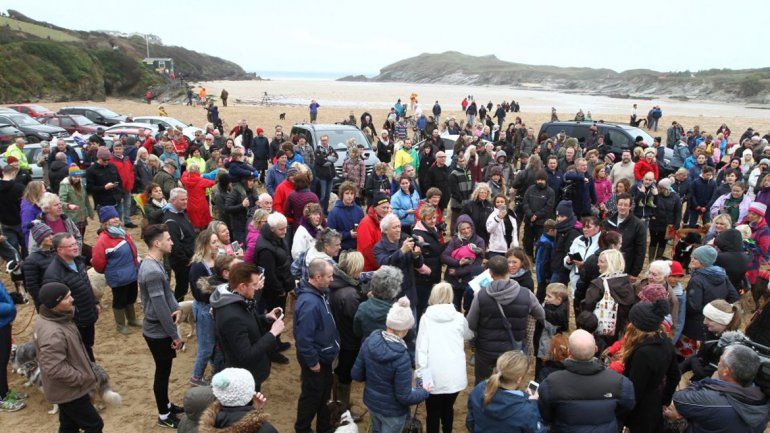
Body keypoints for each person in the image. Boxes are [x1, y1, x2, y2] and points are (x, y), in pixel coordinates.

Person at [351, 297, 430, 433]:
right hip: (393, 412)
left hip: (372, 404)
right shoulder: (402, 358)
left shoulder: (370, 340)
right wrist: (424, 392)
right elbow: (404, 397)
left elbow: (356, 374)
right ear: (405, 330)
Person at [34, 282, 104, 430]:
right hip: (69, 390)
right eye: (66, 298)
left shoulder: (56, 317)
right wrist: (81, 378)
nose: (72, 299)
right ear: (55, 304)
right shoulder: (53, 333)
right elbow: (53, 368)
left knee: (68, 425)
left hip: (65, 388)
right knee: (94, 425)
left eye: (70, 294)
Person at [538, 329, 635, 433]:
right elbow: (627, 406)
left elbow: (545, 414)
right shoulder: (620, 383)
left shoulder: (551, 383)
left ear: (569, 352)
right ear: (596, 349)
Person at [466, 256, 545, 383]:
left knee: (482, 383)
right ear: (508, 270)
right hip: (512, 349)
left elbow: (470, 324)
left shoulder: (481, 295)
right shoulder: (526, 294)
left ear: (490, 273)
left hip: (486, 348)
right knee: (508, 383)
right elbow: (541, 315)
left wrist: (473, 341)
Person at [137, 224, 184, 428]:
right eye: (168, 239)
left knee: (165, 370)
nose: (171, 242)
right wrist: (174, 335)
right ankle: (164, 415)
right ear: (157, 243)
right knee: (162, 372)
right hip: (157, 331)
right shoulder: (152, 271)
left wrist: (177, 307)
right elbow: (159, 308)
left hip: (159, 328)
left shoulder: (156, 263)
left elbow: (167, 294)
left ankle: (166, 404)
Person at [211, 262, 285, 388]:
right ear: (242, 286)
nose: (257, 288)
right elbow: (246, 356)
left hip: (249, 372)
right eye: (254, 285)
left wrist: (265, 318)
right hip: (243, 378)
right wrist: (272, 334)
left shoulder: (238, 299)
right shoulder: (231, 315)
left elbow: (245, 323)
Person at [667, 345, 770, 433]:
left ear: (726, 371)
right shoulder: (763, 398)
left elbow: (677, 399)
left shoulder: (710, 399)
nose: (718, 364)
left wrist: (711, 382)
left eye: (720, 361)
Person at [416, 283, 474, 433]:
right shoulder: (459, 318)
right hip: (454, 373)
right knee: (448, 408)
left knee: (432, 412)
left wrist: (420, 375)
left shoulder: (426, 318)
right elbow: (469, 335)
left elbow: (421, 349)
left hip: (432, 373)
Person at [294, 260, 340, 433]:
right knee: (311, 397)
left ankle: (324, 427)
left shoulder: (320, 293)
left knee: (323, 396)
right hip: (316, 361)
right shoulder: (310, 303)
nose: (332, 279)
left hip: (324, 358)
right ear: (317, 277)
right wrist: (313, 362)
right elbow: (304, 339)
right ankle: (303, 429)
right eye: (329, 276)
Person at [622, 300, 681, 433]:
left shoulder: (643, 353)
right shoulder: (665, 341)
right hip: (655, 401)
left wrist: (623, 412)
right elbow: (675, 375)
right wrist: (664, 399)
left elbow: (635, 389)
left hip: (642, 411)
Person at [42, 233, 98, 361]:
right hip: (75, 321)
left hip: (88, 314)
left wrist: (95, 302)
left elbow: (86, 284)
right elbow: (57, 304)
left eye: (75, 243)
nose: (75, 247)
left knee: (88, 345)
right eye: (71, 245)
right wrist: (72, 319)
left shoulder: (78, 261)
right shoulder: (53, 274)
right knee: (79, 352)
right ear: (59, 250)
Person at [466, 350, 545, 433]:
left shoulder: (479, 389)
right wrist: (533, 404)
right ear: (519, 379)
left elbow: (470, 421)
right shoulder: (527, 410)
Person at [680, 245, 740, 353]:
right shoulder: (722, 275)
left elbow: (693, 307)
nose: (692, 259)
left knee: (683, 359)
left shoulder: (697, 279)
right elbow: (734, 296)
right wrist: (717, 309)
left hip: (695, 327)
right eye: (693, 256)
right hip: (713, 325)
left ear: (704, 261)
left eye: (695, 258)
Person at [328, 251, 366, 419]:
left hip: (337, 336)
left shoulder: (336, 282)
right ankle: (342, 411)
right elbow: (356, 319)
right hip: (348, 340)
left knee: (339, 372)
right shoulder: (349, 294)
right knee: (345, 375)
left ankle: (338, 404)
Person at [91, 206, 140, 335]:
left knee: (131, 296)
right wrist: (110, 271)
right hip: (118, 276)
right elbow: (97, 262)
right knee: (120, 300)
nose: (115, 219)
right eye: (112, 217)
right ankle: (120, 325)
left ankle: (132, 319)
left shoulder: (123, 233)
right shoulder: (103, 240)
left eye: (117, 216)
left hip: (131, 272)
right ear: (105, 222)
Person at [253, 213, 293, 363]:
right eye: (281, 229)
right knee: (273, 318)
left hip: (282, 283)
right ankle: (272, 350)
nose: (284, 232)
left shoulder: (275, 239)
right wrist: (280, 290)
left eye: (285, 228)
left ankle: (277, 342)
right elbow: (269, 274)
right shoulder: (265, 248)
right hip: (273, 291)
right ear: (272, 229)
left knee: (279, 316)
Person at [199, 368, 278, 433]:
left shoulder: (206, 423)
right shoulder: (267, 430)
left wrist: (255, 409)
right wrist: (257, 412)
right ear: (250, 393)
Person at [374, 214, 425, 308]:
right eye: (394, 227)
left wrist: (416, 256)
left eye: (399, 226)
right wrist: (401, 251)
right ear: (385, 230)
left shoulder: (405, 239)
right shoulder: (379, 247)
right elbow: (385, 264)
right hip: (393, 296)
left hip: (410, 293)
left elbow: (419, 265)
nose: (398, 230)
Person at [442, 215, 486, 310]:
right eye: (463, 229)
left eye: (468, 228)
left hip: (469, 280)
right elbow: (444, 256)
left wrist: (458, 272)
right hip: (453, 281)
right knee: (453, 307)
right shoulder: (455, 240)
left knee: (469, 308)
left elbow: (476, 265)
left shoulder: (479, 241)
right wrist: (458, 263)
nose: (466, 231)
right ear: (458, 229)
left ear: (472, 227)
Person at [163, 188, 197, 301]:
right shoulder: (170, 221)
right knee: (182, 287)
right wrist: (187, 261)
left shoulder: (181, 213)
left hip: (191, 257)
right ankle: (176, 308)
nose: (186, 201)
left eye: (186, 199)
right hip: (182, 262)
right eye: (182, 199)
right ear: (173, 201)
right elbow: (175, 247)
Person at [602, 193, 647, 278]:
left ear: (630, 207)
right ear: (616, 205)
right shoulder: (608, 222)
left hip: (625, 266)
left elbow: (640, 250)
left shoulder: (638, 225)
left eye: (626, 205)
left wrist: (635, 273)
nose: (622, 207)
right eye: (620, 204)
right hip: (607, 264)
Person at [412, 205, 445, 316]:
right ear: (423, 219)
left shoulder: (433, 229)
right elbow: (416, 259)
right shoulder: (418, 235)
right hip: (423, 279)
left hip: (434, 273)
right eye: (429, 218)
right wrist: (428, 271)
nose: (432, 221)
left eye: (434, 218)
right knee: (423, 307)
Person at [522, 171, 555, 257]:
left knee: (539, 242)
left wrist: (537, 215)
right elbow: (525, 202)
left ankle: (537, 258)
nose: (540, 181)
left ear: (545, 180)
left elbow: (549, 207)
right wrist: (530, 214)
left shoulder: (550, 192)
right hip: (529, 221)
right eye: (538, 179)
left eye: (542, 180)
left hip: (541, 222)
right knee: (527, 240)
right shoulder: (530, 189)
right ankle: (528, 256)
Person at [22, 222, 55, 309]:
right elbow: (32, 287)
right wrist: (44, 303)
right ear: (40, 239)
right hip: (47, 301)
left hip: (60, 296)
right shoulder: (31, 260)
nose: (51, 237)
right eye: (47, 236)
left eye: (52, 234)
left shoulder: (55, 252)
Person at [358, 192, 392, 272]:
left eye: (388, 208)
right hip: (370, 269)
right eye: (383, 208)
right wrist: (381, 265)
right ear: (375, 208)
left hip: (382, 264)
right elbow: (367, 250)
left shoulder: (385, 220)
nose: (386, 210)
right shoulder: (366, 223)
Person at [327, 181, 364, 251]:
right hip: (341, 250)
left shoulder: (359, 210)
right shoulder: (334, 212)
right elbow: (330, 234)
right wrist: (348, 234)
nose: (349, 196)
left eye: (352, 194)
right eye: (347, 193)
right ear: (342, 195)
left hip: (357, 248)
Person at [59, 165, 93, 237]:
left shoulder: (81, 184)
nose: (77, 178)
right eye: (74, 177)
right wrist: (69, 205)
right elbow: (60, 202)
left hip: (82, 216)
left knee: (82, 235)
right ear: (70, 176)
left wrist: (90, 212)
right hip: (72, 216)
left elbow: (86, 199)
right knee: (74, 236)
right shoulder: (65, 185)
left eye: (78, 176)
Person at [85, 146, 123, 210]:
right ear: (99, 157)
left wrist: (121, 195)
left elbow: (120, 181)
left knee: (119, 220)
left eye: (108, 159)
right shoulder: (91, 170)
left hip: (116, 200)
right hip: (103, 203)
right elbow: (89, 188)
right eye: (104, 160)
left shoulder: (112, 166)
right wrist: (104, 187)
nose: (106, 161)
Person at [180, 164, 216, 230]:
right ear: (198, 171)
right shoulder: (202, 181)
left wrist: (187, 171)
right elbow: (213, 183)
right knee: (204, 224)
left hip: (190, 204)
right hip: (202, 204)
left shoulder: (186, 180)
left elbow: (183, 176)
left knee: (193, 223)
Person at [314, 135, 338, 213]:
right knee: (322, 195)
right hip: (322, 176)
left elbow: (336, 157)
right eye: (323, 140)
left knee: (328, 195)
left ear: (328, 140)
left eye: (325, 140)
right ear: (321, 141)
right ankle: (319, 211)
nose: (324, 142)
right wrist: (330, 158)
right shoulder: (318, 150)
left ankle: (325, 210)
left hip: (330, 176)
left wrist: (326, 158)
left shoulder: (330, 148)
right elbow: (320, 161)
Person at [448, 154, 473, 229]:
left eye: (463, 160)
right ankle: (453, 234)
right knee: (455, 220)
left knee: (466, 220)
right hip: (457, 202)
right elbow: (454, 190)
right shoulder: (453, 174)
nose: (462, 162)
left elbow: (470, 184)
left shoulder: (468, 171)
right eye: (460, 161)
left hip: (468, 200)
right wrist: (461, 200)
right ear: (457, 162)